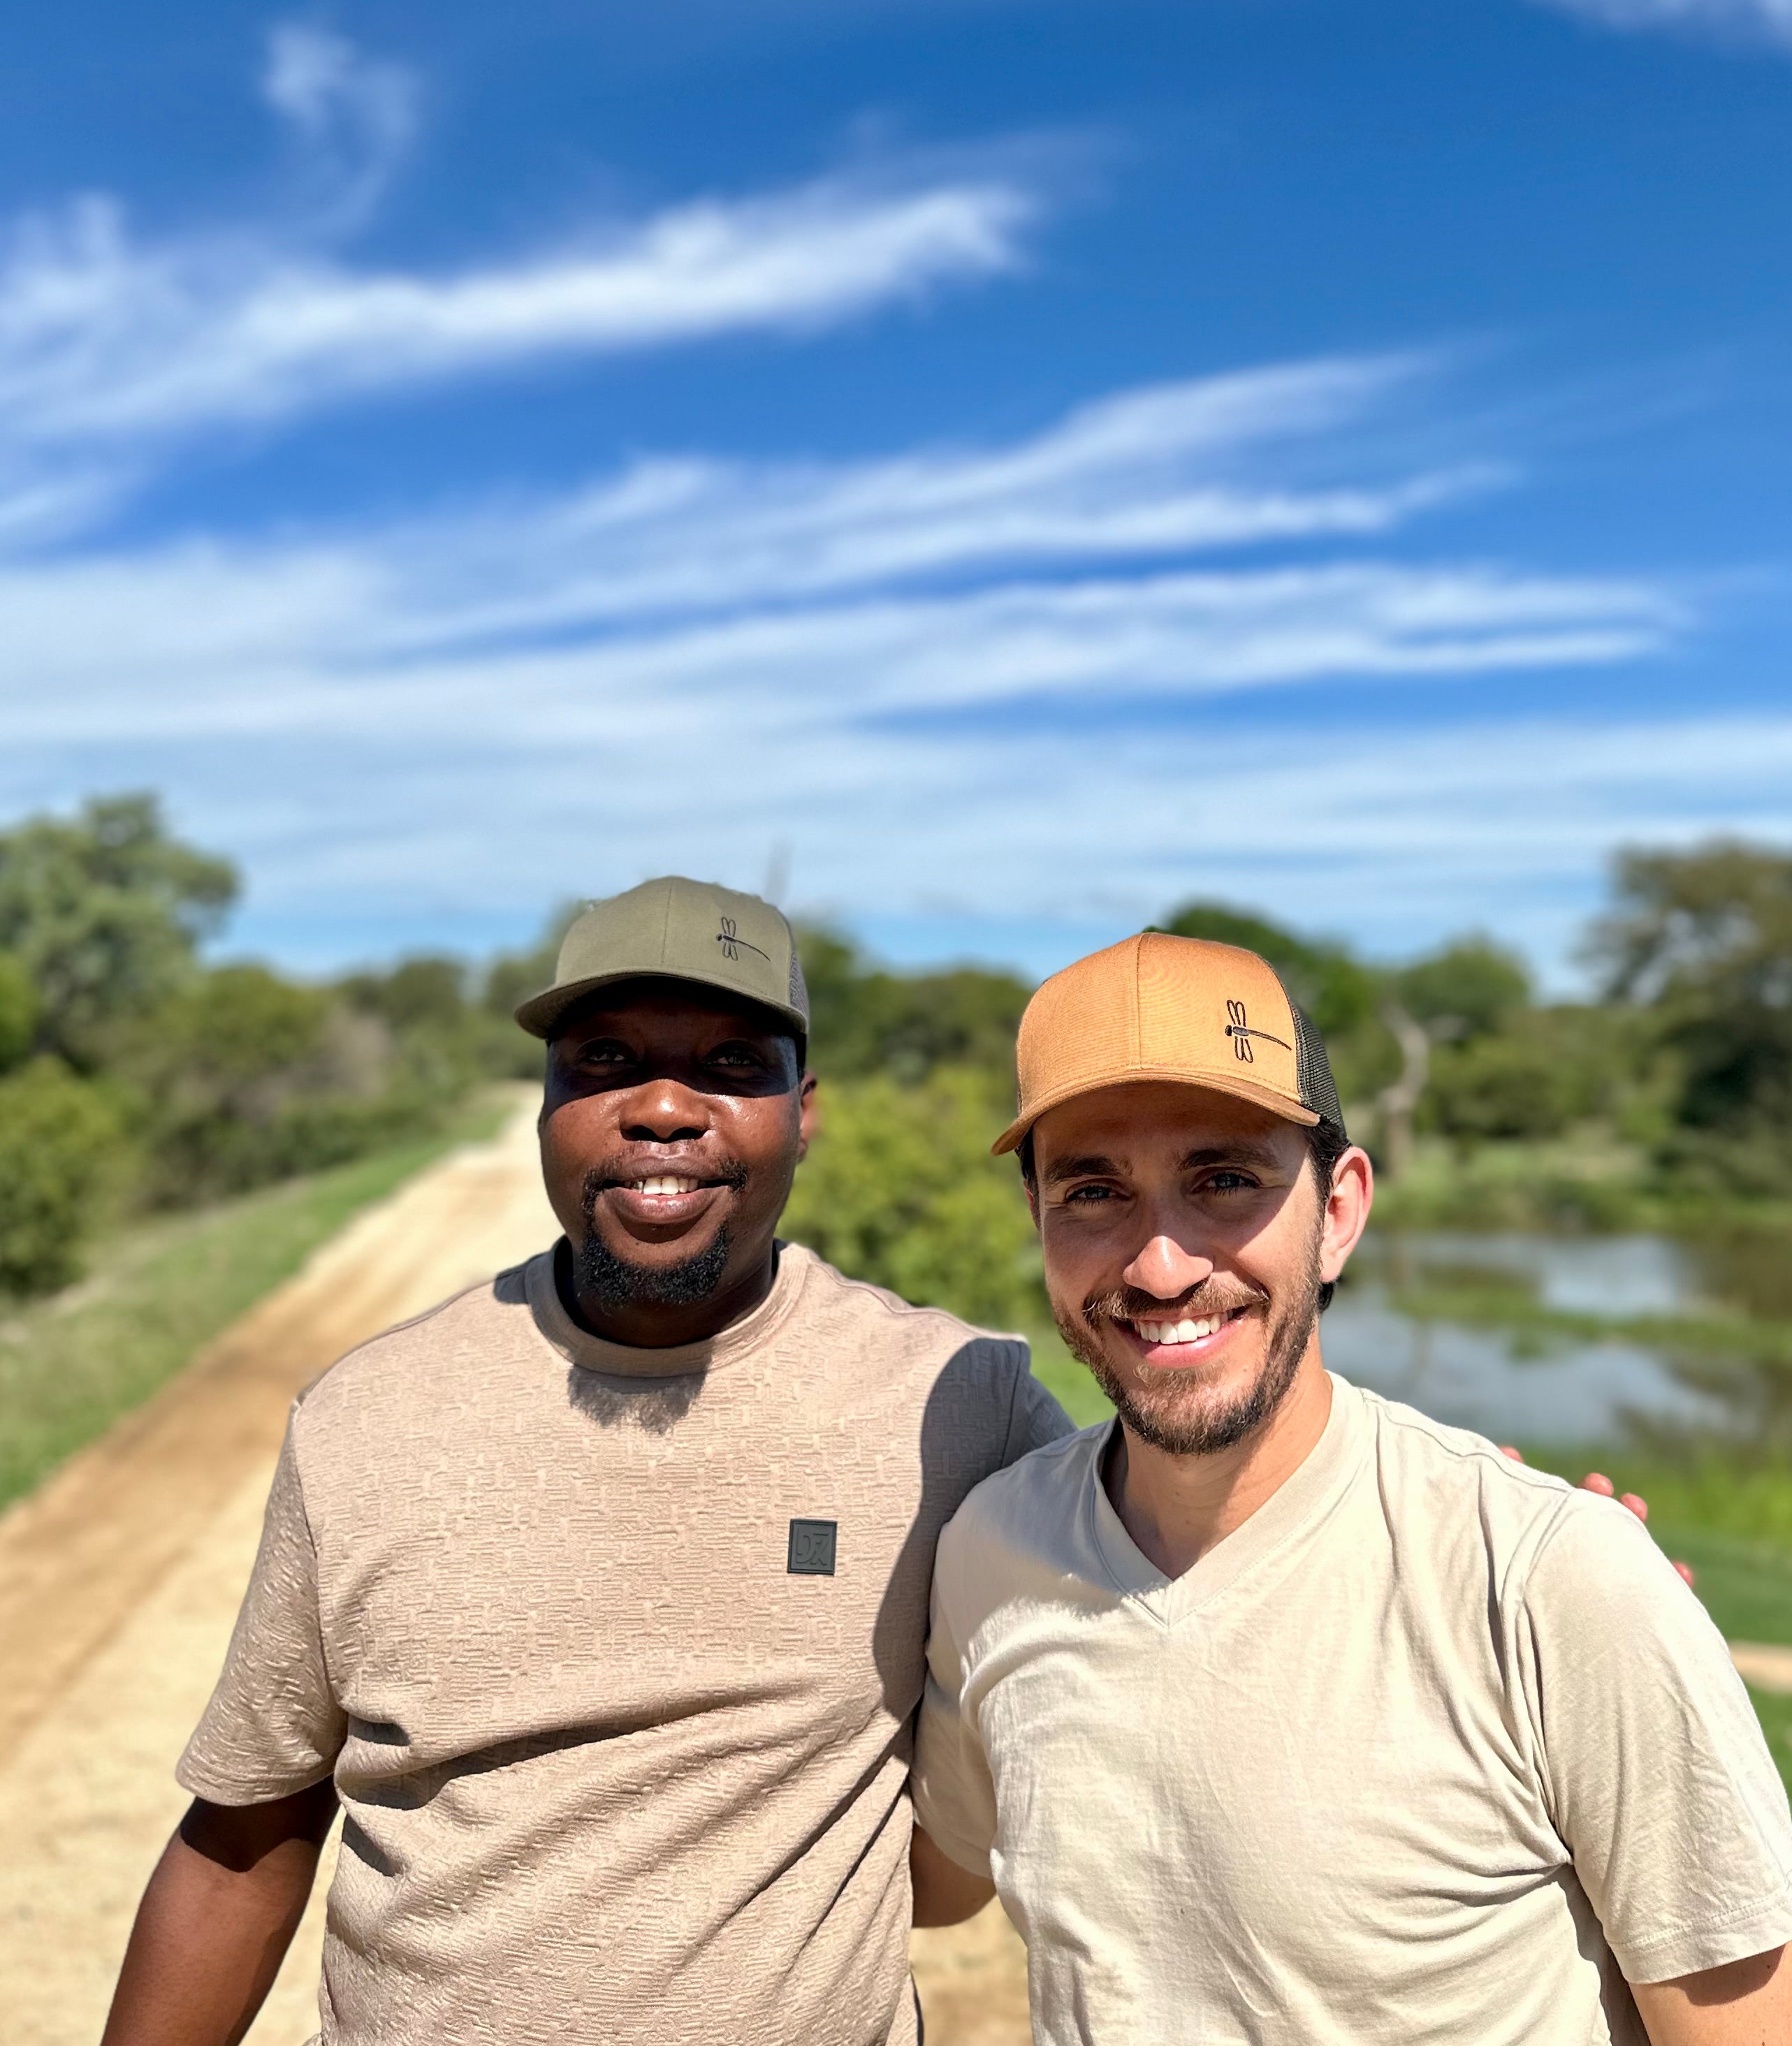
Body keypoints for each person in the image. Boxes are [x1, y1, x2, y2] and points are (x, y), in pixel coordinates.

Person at [102, 875, 1070, 2046]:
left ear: (805, 1111)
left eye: (727, 1062)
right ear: (545, 1107)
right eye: (605, 1060)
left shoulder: (957, 1403)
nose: (663, 1108)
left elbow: (1179, 1626)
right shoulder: (370, 1416)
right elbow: (245, 1837)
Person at [910, 930, 1792, 2046]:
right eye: (1092, 1189)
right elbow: (941, 1881)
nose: (1160, 1264)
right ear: (1039, 1220)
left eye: (1224, 1179)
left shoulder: (1549, 1578)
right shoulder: (991, 1551)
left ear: (1340, 1210)